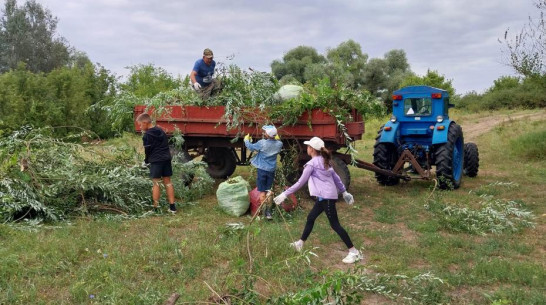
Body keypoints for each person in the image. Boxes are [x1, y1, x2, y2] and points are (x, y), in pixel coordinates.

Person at [273, 137, 362, 264]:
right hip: (323, 197)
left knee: (335, 225)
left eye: (308, 146)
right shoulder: (325, 160)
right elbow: (336, 177)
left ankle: (354, 251)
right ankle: (300, 243)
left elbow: (300, 183)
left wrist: (285, 194)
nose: (307, 148)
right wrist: (344, 192)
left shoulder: (311, 165)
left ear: (311, 149)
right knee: (311, 218)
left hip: (327, 199)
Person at [136, 113, 177, 214]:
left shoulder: (147, 135)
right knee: (168, 182)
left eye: (141, 125)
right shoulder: (160, 130)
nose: (140, 127)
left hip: (156, 160)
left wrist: (146, 162)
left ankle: (155, 208)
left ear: (145, 123)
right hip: (166, 159)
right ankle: (172, 208)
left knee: (156, 183)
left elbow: (148, 151)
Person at [244, 125, 283, 220]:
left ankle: (263, 211)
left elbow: (251, 147)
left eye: (265, 132)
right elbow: (277, 141)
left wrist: (246, 140)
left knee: (262, 191)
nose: (263, 133)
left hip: (262, 170)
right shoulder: (279, 144)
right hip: (271, 170)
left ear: (267, 134)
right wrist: (277, 138)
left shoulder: (262, 143)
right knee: (269, 191)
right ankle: (269, 213)